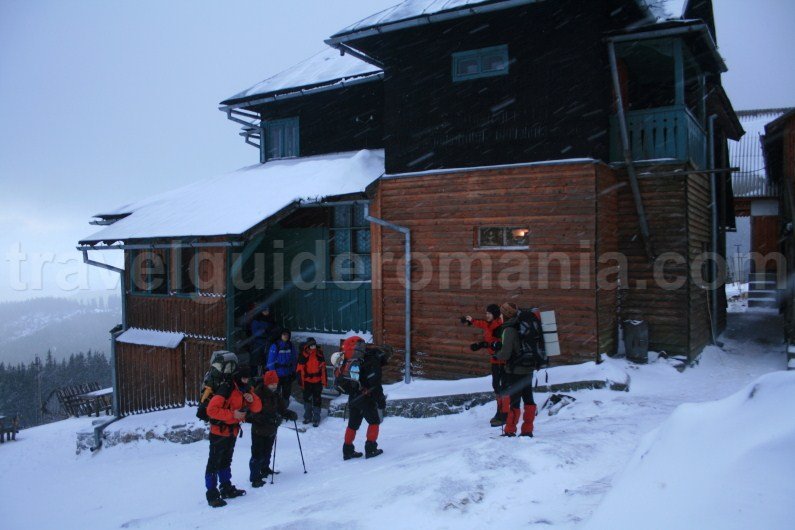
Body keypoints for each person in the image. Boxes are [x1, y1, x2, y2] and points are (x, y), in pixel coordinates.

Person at [204, 364, 262, 507]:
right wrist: (232, 414)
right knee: (214, 463)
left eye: (247, 378)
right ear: (238, 377)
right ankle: (212, 495)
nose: (246, 381)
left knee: (226, 461)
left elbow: (258, 408)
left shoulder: (245, 389)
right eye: (243, 378)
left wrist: (251, 400)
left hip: (232, 431)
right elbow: (211, 410)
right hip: (218, 432)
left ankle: (226, 487)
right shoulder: (226, 389)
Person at [246, 370, 298, 488]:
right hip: (259, 430)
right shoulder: (258, 394)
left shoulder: (276, 394)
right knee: (257, 454)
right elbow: (252, 414)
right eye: (271, 384)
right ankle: (255, 477)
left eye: (275, 383)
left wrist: (289, 414)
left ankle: (265, 468)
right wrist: (268, 420)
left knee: (267, 450)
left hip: (271, 429)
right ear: (266, 383)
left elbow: (281, 409)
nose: (274, 386)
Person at [494, 302, 537, 437]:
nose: (500, 316)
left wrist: (497, 354)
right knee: (529, 399)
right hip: (528, 368)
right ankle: (527, 430)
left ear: (506, 315)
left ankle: (510, 430)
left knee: (514, 401)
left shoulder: (509, 330)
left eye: (501, 314)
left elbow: (505, 354)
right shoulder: (524, 327)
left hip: (515, 370)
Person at [341, 336, 388, 460]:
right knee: (374, 422)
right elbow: (375, 384)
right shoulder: (373, 361)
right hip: (365, 397)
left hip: (353, 396)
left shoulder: (359, 358)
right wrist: (380, 400)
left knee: (352, 425)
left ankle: (347, 451)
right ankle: (371, 449)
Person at [464, 304, 505, 426]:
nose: (487, 315)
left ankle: (503, 413)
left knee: (500, 387)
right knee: (496, 386)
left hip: (502, 361)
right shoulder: (490, 324)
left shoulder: (500, 326)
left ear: (495, 314)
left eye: (489, 313)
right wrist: (471, 320)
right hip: (495, 360)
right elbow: (483, 325)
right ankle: (501, 411)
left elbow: (499, 345)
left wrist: (484, 345)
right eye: (486, 313)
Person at [296, 337, 327, 427]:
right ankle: (307, 417)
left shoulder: (319, 353)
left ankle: (316, 418)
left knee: (317, 400)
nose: (313, 346)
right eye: (311, 345)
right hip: (307, 382)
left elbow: (323, 368)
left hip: (317, 381)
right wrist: (300, 381)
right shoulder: (303, 354)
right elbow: (300, 368)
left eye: (314, 345)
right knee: (307, 399)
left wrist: (324, 381)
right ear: (308, 345)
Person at [267, 329, 297, 405]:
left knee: (286, 394)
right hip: (277, 374)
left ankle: (284, 408)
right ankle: (276, 408)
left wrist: (293, 371)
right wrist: (273, 374)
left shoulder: (290, 345)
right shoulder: (275, 345)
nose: (286, 336)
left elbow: (294, 359)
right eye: (284, 334)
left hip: (288, 374)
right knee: (275, 394)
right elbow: (271, 361)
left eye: (287, 335)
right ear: (280, 335)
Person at [248, 305, 279, 375]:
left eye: (267, 310)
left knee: (268, 362)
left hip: (268, 343)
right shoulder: (256, 320)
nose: (266, 312)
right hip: (258, 344)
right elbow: (255, 332)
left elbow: (276, 330)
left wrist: (272, 334)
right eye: (264, 310)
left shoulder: (271, 320)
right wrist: (266, 332)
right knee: (256, 363)